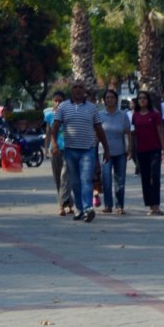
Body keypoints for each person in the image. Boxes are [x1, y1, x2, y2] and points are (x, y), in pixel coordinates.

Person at [51, 81, 110, 222]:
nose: (77, 89)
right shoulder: (63, 107)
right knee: (75, 182)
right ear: (71, 90)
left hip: (88, 150)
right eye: (75, 87)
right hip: (70, 151)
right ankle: (79, 209)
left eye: (80, 87)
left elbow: (99, 129)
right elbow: (55, 126)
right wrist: (54, 144)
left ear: (84, 91)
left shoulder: (92, 108)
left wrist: (106, 148)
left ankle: (88, 208)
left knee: (86, 179)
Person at [132, 89, 164, 214]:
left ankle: (156, 205)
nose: (142, 100)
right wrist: (130, 149)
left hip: (154, 150)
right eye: (140, 98)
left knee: (155, 176)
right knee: (145, 178)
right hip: (141, 151)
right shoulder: (135, 115)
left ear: (148, 100)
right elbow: (133, 133)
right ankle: (150, 205)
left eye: (144, 98)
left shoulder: (154, 114)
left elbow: (160, 131)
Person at [99, 88, 132, 214]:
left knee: (120, 180)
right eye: (107, 97)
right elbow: (96, 134)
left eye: (112, 97)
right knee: (106, 179)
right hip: (104, 153)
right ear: (104, 100)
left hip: (120, 152)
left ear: (116, 99)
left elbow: (128, 133)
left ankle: (119, 206)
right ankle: (108, 205)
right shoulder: (100, 115)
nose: (109, 99)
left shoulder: (123, 115)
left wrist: (129, 149)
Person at [44, 90, 73, 214]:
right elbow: (48, 132)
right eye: (56, 100)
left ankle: (62, 204)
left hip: (68, 148)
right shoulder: (49, 115)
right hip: (55, 149)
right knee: (57, 178)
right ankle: (67, 204)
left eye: (60, 101)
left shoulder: (70, 114)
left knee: (65, 176)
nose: (58, 103)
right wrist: (46, 148)